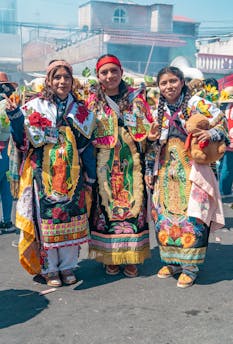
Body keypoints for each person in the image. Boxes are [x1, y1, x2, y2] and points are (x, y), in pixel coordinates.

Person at [5, 59, 96, 287]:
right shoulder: (35, 106)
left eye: (66, 77)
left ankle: (67, 266)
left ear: (72, 80)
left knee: (71, 219)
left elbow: (86, 145)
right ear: (49, 80)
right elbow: (23, 142)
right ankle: (49, 269)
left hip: (73, 175)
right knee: (46, 222)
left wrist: (90, 176)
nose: (62, 81)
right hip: (42, 174)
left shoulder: (80, 108)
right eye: (57, 77)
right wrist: (16, 117)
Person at [145, 66, 228, 288]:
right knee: (163, 218)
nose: (169, 86)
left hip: (193, 173)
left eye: (173, 81)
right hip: (164, 173)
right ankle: (172, 261)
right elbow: (152, 146)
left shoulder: (197, 104)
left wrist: (210, 133)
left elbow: (223, 124)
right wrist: (147, 171)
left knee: (194, 219)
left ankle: (191, 267)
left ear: (182, 82)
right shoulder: (156, 111)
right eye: (164, 83)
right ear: (159, 87)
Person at [86, 54, 153, 278]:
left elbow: (148, 128)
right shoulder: (91, 101)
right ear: (98, 76)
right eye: (104, 72)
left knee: (133, 208)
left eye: (114, 71)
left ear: (121, 73)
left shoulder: (136, 97)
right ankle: (110, 257)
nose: (110, 76)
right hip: (103, 164)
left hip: (132, 163)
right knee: (105, 210)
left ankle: (133, 256)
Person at [0, 72, 18, 234]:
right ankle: (6, 221)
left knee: (6, 188)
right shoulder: (12, 102)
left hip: (6, 150)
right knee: (5, 188)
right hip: (7, 150)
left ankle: (6, 221)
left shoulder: (10, 103)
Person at [218, 86, 233, 196]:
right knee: (228, 167)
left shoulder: (223, 107)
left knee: (223, 165)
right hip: (231, 141)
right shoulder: (231, 108)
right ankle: (224, 190)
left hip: (224, 140)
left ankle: (221, 188)